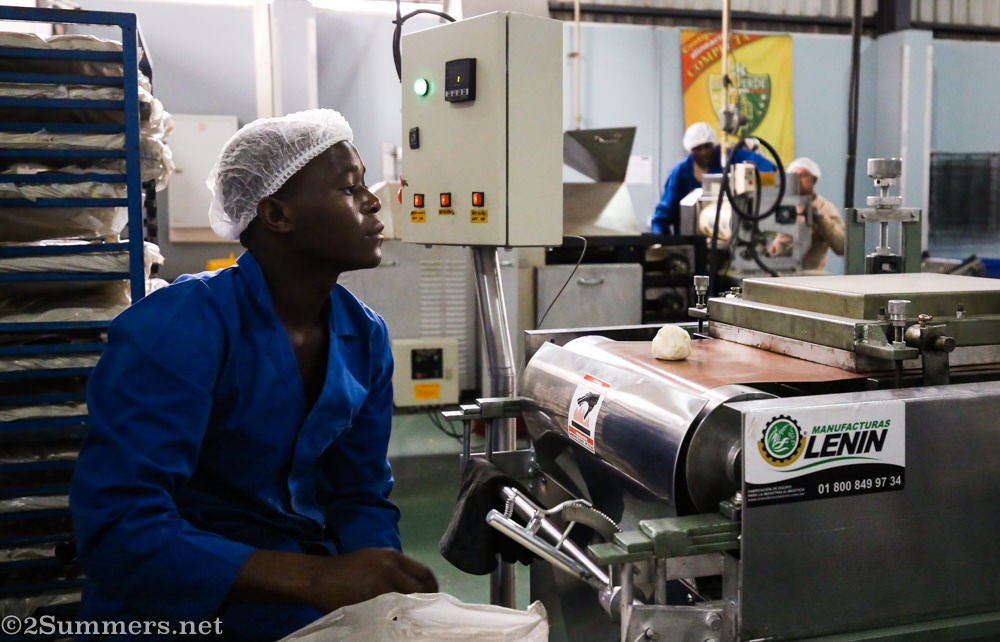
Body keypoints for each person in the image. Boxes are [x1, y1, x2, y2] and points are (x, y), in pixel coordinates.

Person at [70, 109, 437, 641]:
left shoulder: (365, 336)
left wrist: (380, 589)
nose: (374, 200)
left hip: (299, 605)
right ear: (277, 214)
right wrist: (317, 577)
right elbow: (118, 526)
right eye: (348, 187)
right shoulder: (177, 328)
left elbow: (358, 493)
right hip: (174, 606)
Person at [652, 121, 776, 235]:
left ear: (714, 144)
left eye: (707, 146)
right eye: (698, 149)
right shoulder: (679, 173)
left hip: (734, 234)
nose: (704, 152)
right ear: (690, 150)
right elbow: (663, 215)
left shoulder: (730, 157)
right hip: (693, 240)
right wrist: (661, 244)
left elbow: (769, 169)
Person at [767, 157, 845, 271]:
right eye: (793, 176)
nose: (797, 179)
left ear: (814, 180)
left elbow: (842, 247)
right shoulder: (784, 206)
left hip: (810, 278)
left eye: (803, 175)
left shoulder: (826, 208)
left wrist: (820, 219)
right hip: (780, 276)